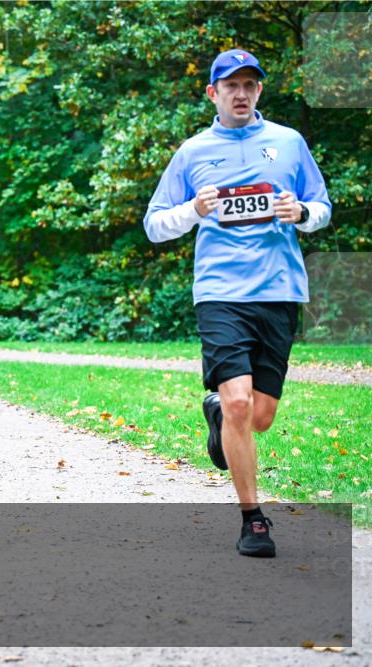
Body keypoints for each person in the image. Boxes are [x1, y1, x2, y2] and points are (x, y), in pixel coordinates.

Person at [143, 49, 331, 558]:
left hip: (279, 290)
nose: (241, 93)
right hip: (220, 292)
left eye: (250, 84)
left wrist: (303, 211)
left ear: (259, 92)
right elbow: (154, 224)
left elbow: (323, 207)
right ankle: (254, 519)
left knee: (261, 416)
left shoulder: (288, 144)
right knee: (240, 404)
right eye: (231, 86)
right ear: (213, 93)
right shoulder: (193, 151)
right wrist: (192, 209)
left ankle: (218, 414)